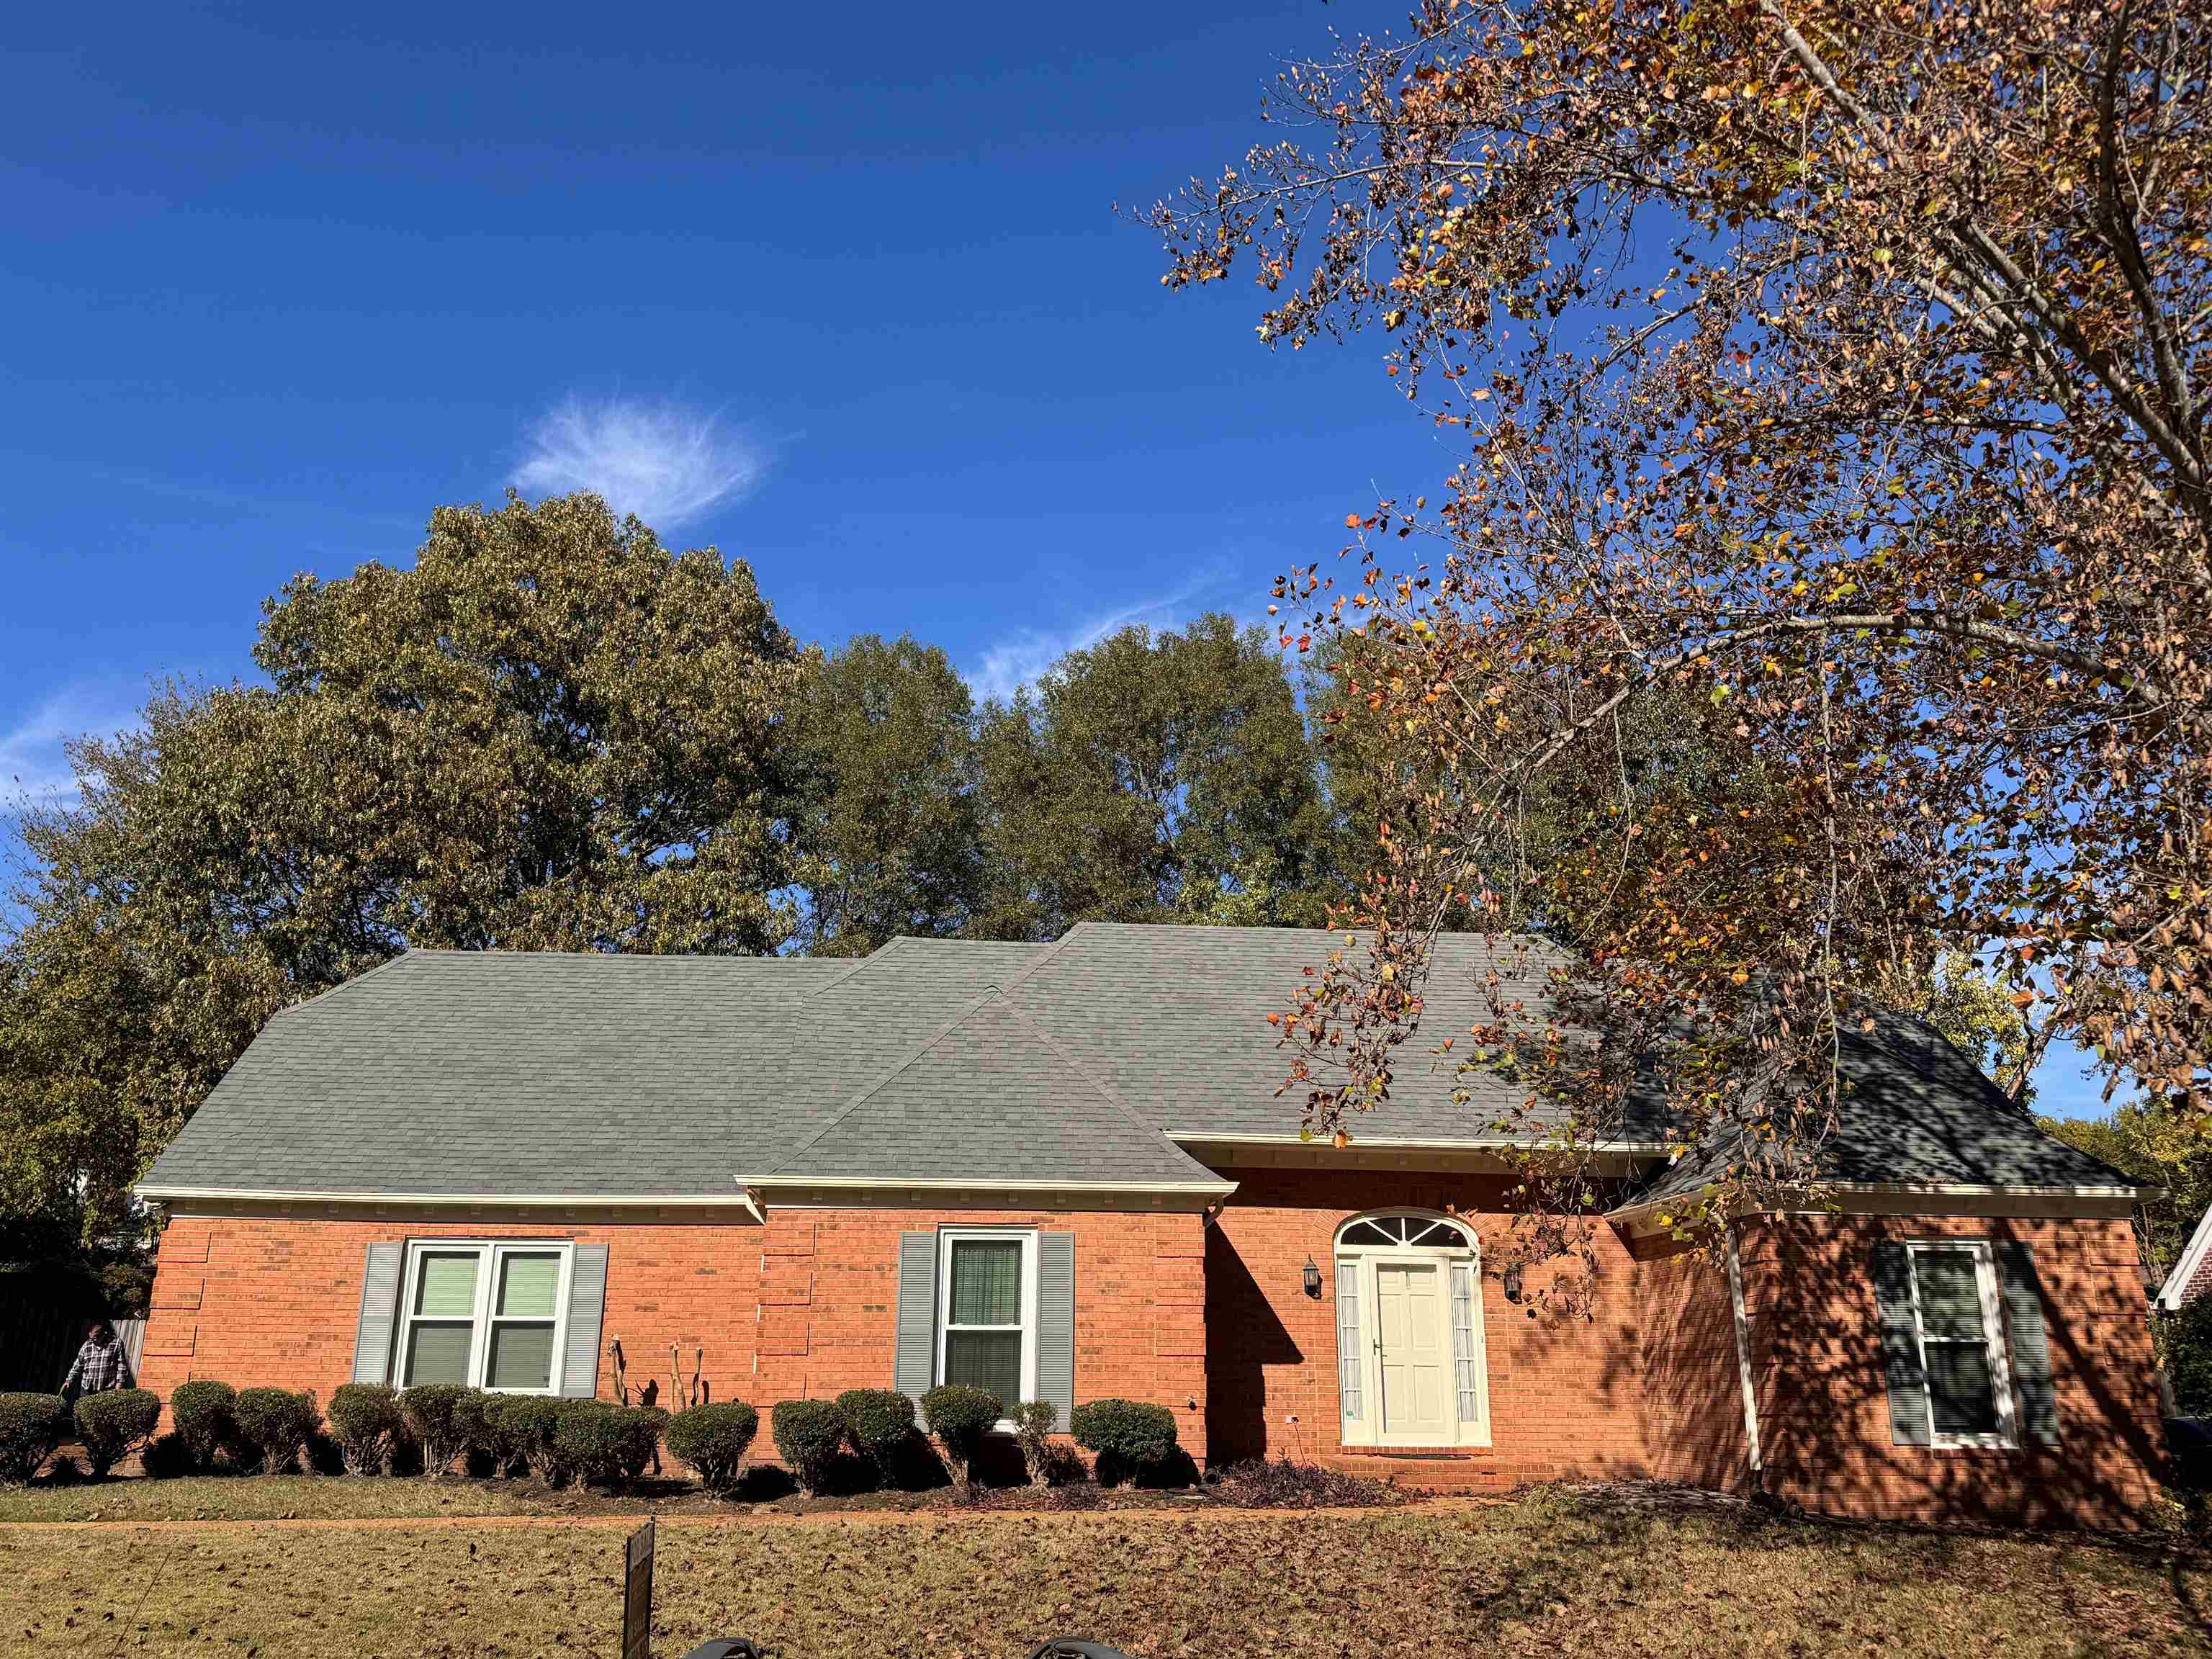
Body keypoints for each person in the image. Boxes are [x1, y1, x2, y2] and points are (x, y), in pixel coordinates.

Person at [61, 1319, 134, 1400]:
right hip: (87, 1389)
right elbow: (77, 1365)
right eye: (91, 1338)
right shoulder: (87, 1346)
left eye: (95, 1338)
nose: (92, 1341)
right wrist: (69, 1381)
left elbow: (122, 1366)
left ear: (103, 1335)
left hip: (107, 1390)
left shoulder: (116, 1344)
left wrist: (119, 1385)